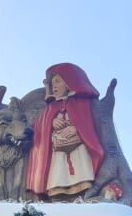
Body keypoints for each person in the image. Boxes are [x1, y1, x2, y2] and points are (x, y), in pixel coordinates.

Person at [24, 63, 105, 201]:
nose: (54, 86)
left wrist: (76, 129)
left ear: (69, 83)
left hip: (78, 148)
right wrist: (50, 123)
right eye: (52, 83)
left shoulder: (82, 104)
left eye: (58, 81)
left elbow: (88, 125)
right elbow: (38, 128)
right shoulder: (50, 108)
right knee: (58, 175)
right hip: (58, 150)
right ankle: (57, 193)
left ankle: (83, 192)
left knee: (81, 174)